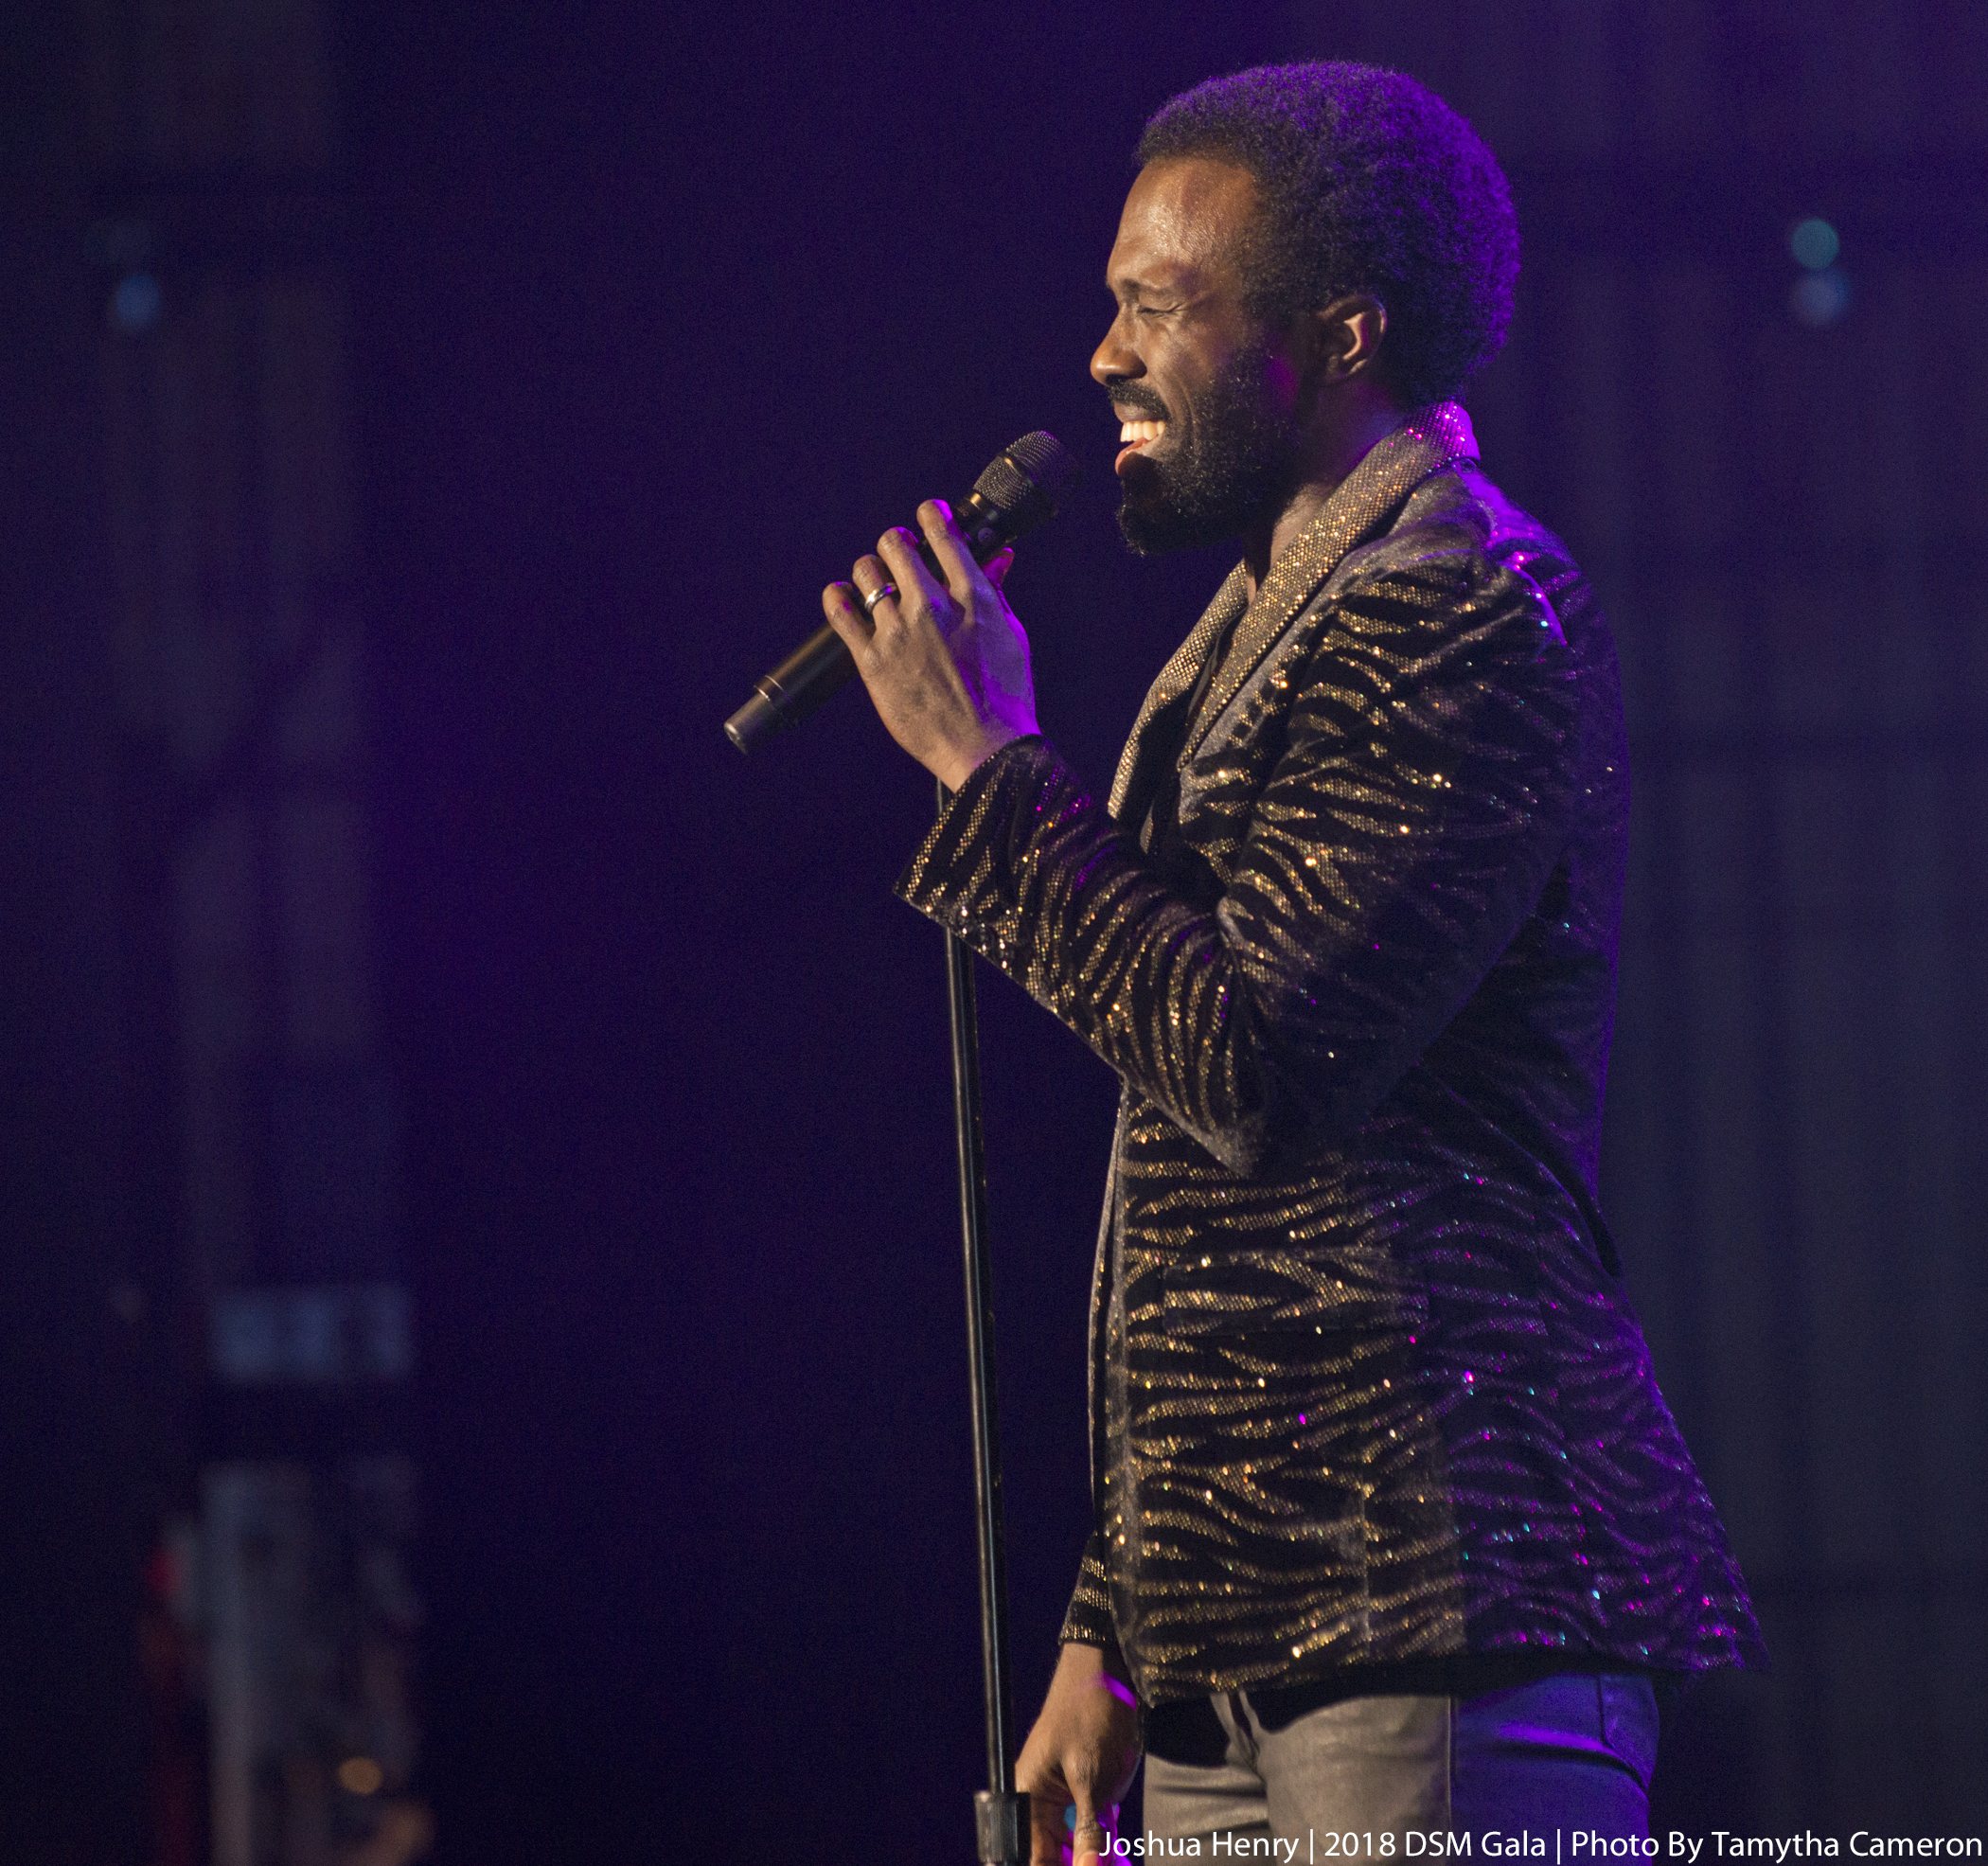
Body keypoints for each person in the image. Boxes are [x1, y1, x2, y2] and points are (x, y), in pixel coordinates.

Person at [822, 62, 1763, 1861]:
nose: (1104, 352)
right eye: (1112, 301)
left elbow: (1257, 1067)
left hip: (1433, 1594)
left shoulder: (1456, 606)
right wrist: (1115, 1620)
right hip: (1246, 1631)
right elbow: (1206, 1196)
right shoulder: (1266, 617)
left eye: (1157, 306)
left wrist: (997, 775)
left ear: (1338, 335)